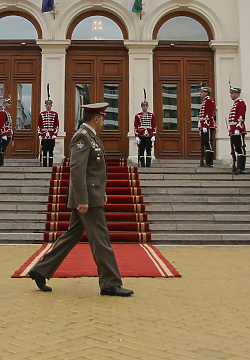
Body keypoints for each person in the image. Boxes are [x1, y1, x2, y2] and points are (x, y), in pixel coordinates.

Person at [28, 103, 133, 297]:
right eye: (102, 119)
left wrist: (101, 191)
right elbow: (77, 169)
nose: (103, 122)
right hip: (88, 198)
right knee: (101, 239)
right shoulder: (82, 137)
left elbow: (94, 169)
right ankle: (110, 283)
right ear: (96, 119)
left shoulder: (91, 136)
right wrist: (83, 199)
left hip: (92, 194)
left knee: (73, 235)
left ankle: (40, 270)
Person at [227, 86, 246, 175]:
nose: (231, 95)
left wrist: (238, 128)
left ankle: (241, 168)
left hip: (238, 129)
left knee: (240, 147)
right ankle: (238, 166)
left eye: (232, 93)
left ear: (237, 94)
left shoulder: (240, 103)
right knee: (236, 148)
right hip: (233, 129)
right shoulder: (235, 103)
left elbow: (241, 117)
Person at [134, 99, 156, 168]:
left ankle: (148, 165)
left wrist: (154, 135)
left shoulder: (152, 115)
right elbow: (136, 126)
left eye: (146, 106)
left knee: (149, 149)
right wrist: (136, 136)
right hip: (141, 135)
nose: (145, 107)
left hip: (149, 135)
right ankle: (143, 165)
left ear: (147, 107)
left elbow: (154, 125)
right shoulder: (138, 115)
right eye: (143, 106)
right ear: (141, 107)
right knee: (141, 150)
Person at [37, 98, 60, 167]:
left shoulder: (55, 114)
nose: (48, 106)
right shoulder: (42, 114)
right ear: (45, 105)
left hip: (51, 135)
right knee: (44, 150)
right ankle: (44, 165)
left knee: (51, 150)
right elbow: (39, 125)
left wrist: (55, 134)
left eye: (49, 104)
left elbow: (56, 125)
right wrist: (39, 134)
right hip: (44, 135)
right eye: (47, 104)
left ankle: (50, 165)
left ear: (51, 105)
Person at [198, 86, 216, 167]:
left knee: (208, 142)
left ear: (206, 93)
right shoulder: (205, 101)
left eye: (202, 92)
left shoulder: (209, 100)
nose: (200, 94)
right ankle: (207, 162)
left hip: (208, 125)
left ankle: (209, 163)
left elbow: (209, 114)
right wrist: (201, 126)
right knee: (205, 142)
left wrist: (205, 125)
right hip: (204, 125)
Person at [0, 97, 13, 167]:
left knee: (3, 147)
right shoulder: (2, 111)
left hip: (7, 132)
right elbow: (1, 123)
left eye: (10, 103)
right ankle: (0, 163)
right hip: (4, 132)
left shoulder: (6, 112)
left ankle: (0, 161)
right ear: (4, 104)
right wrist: (3, 134)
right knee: (1, 147)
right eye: (8, 103)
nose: (10, 105)